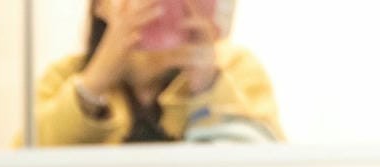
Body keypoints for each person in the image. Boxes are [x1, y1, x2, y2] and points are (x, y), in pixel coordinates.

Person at [35, 0, 281, 146]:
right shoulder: (65, 77)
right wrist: (93, 84)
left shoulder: (235, 69)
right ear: (100, 5)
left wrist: (208, 88)